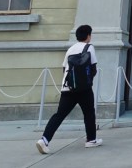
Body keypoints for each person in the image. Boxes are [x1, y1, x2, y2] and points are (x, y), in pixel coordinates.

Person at [36, 24, 102, 154]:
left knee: (59, 115)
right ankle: (91, 140)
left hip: (67, 88)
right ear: (88, 36)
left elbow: (64, 69)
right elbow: (93, 68)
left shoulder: (70, 49)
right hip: (84, 89)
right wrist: (86, 81)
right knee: (89, 113)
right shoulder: (89, 47)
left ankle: (44, 140)